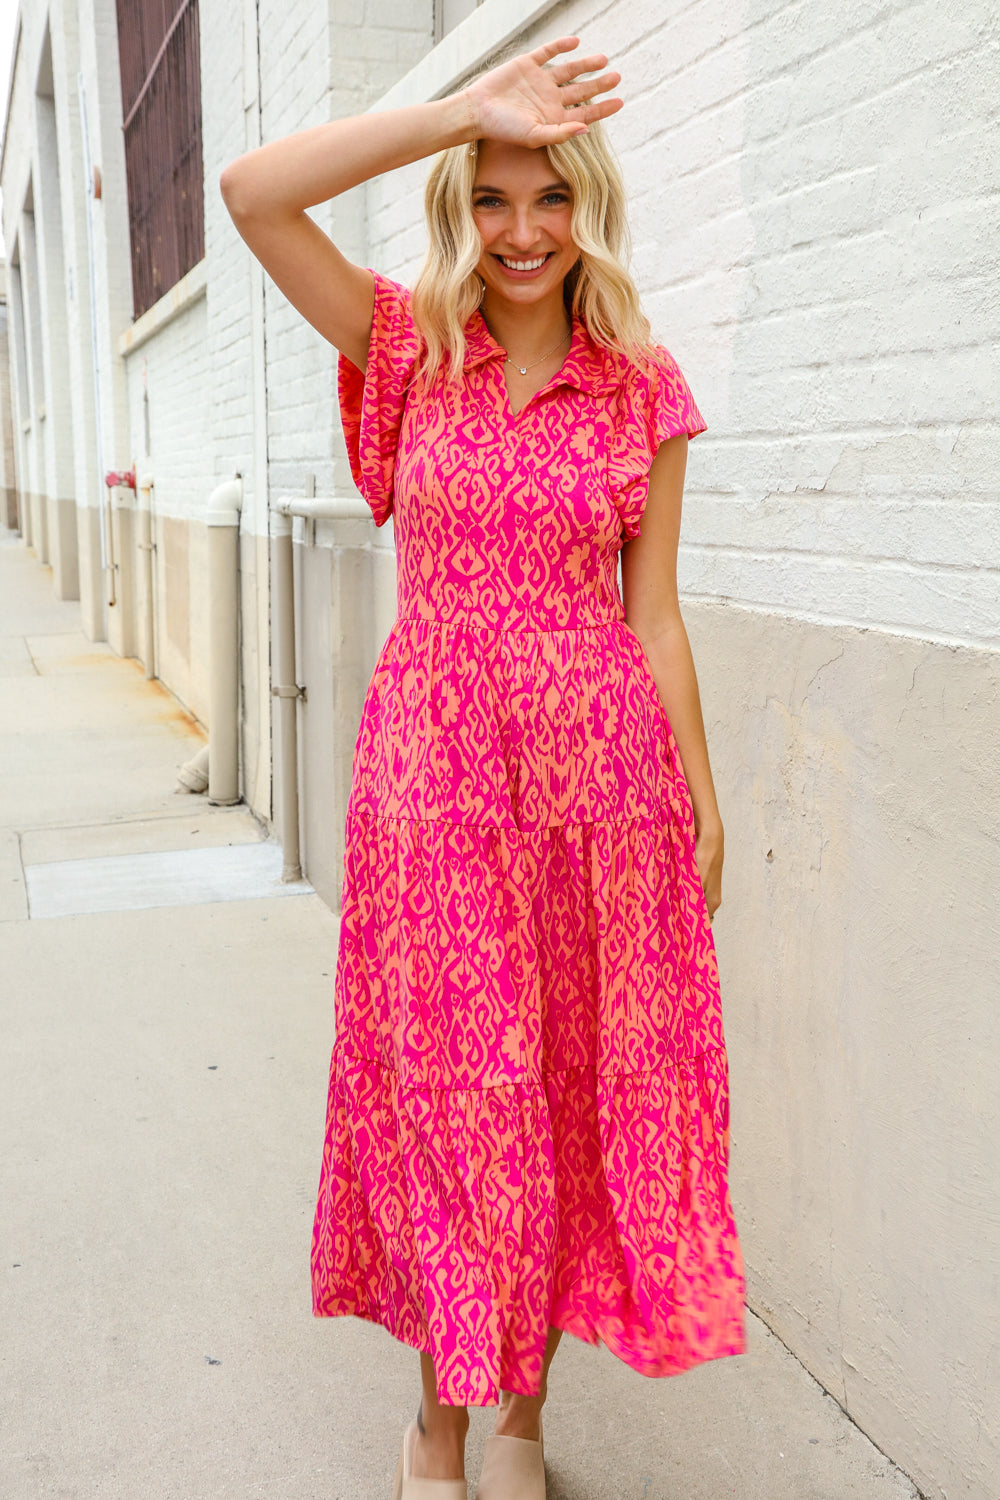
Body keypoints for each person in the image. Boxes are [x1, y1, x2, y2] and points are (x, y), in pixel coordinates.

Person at [220, 34, 746, 1500]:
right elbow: (254, 193)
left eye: (551, 200)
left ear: (591, 213)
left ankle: (515, 1423)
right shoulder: (405, 347)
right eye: (495, 199)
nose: (523, 232)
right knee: (460, 1099)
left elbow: (654, 613)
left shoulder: (642, 386)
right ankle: (436, 1427)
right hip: (436, 779)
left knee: (567, 1100)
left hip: (600, 787)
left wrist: (698, 795)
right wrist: (464, 108)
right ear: (465, 212)